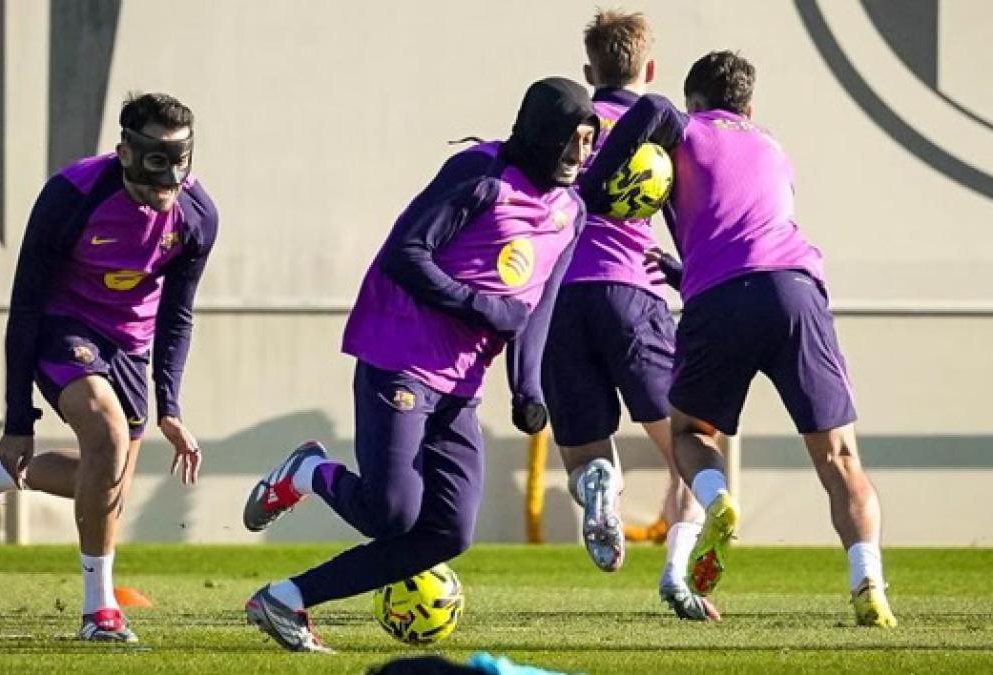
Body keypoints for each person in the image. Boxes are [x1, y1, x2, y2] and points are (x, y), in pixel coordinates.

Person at [240, 77, 596, 652]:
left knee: (448, 531)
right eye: (571, 139)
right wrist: (480, 306)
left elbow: (538, 305)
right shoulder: (480, 175)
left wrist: (527, 388)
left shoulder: (571, 210)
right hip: (400, 354)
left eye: (589, 140)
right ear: (542, 134)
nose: (580, 154)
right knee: (390, 512)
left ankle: (286, 598)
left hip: (461, 384)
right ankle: (306, 472)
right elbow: (408, 254)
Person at [579, 51, 897, 627]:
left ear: (695, 101)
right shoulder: (772, 146)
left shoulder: (682, 125)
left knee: (691, 433)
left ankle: (717, 497)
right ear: (749, 106)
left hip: (720, 300)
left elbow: (650, 107)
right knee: (841, 457)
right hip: (796, 291)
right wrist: (682, 270)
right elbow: (746, 225)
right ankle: (868, 581)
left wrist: (597, 186)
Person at [0, 92, 218, 641]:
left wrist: (170, 406)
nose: (160, 196)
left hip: (131, 343)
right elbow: (24, 304)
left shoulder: (197, 216)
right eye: (149, 180)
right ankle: (99, 611)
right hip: (63, 325)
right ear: (123, 152)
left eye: (173, 181)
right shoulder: (70, 195)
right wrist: (19, 419)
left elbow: (178, 314)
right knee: (108, 435)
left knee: (105, 484)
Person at [540, 10, 712, 621]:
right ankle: (678, 574)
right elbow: (687, 220)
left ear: (590, 71)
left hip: (558, 302)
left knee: (584, 448)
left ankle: (600, 489)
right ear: (651, 68)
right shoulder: (660, 134)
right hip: (629, 294)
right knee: (692, 448)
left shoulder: (568, 128)